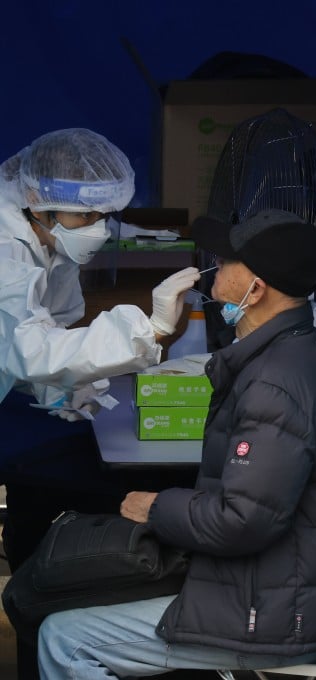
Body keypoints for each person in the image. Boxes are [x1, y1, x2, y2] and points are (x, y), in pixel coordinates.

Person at [36, 208, 316, 678]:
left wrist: (157, 508)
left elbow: (241, 520)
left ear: (256, 288)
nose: (215, 264)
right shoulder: (309, 353)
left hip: (277, 618)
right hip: (297, 591)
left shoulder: (274, 384)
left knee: (63, 637)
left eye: (229, 259)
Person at [0, 128, 199, 568]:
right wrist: (150, 329)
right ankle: (33, 584)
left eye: (103, 215)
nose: (97, 228)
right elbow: (29, 349)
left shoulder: (48, 237)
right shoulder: (4, 248)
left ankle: (30, 573)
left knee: (45, 476)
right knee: (57, 473)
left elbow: (53, 323)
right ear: (36, 200)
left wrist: (65, 389)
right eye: (84, 215)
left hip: (10, 391)